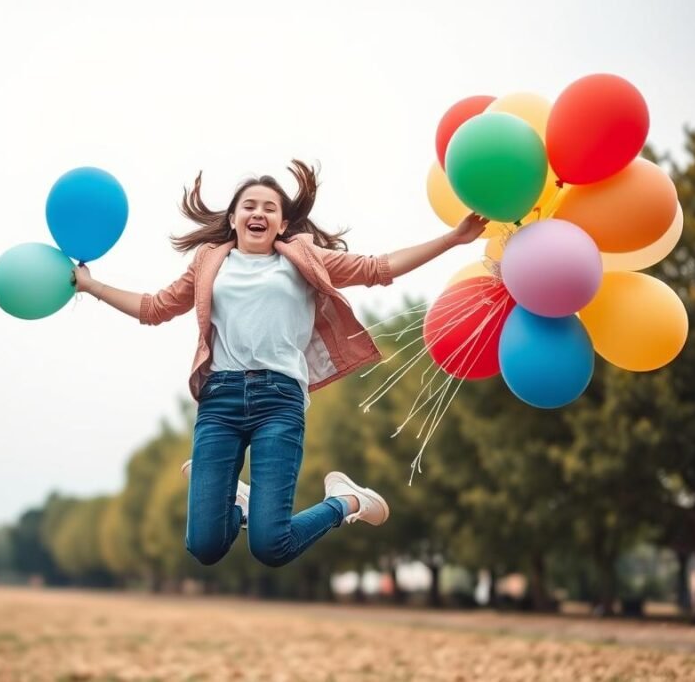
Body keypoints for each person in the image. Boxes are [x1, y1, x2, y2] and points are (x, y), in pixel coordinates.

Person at [72, 160, 487, 567]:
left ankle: (345, 501)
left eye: (270, 207)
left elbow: (377, 269)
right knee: (204, 547)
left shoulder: (303, 256)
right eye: (249, 206)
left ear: (283, 224)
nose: (259, 213)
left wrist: (452, 238)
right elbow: (153, 308)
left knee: (272, 547)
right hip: (220, 402)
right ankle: (239, 500)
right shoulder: (209, 262)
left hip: (279, 403)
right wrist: (90, 286)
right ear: (233, 219)